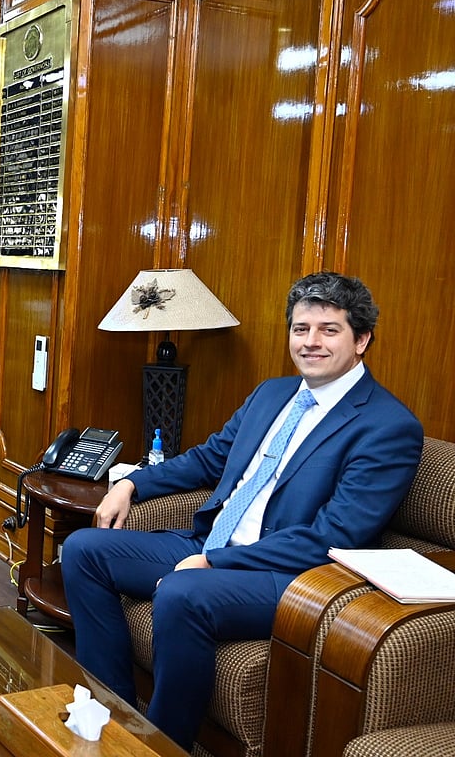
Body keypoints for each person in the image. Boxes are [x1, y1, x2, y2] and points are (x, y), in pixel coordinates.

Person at [62, 271, 423, 750]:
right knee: (83, 549)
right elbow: (209, 458)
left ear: (362, 340)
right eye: (300, 329)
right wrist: (131, 482)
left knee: (183, 593)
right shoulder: (272, 394)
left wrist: (215, 563)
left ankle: (163, 746)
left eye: (328, 330)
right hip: (210, 544)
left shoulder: (388, 426)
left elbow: (336, 536)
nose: (310, 342)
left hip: (286, 575)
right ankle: (115, 717)